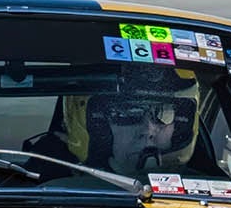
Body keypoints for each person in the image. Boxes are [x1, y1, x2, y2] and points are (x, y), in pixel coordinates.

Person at [32, 64, 203, 176]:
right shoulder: (35, 186)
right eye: (127, 113)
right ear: (97, 126)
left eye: (164, 112)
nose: (148, 130)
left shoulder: (212, 195)